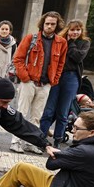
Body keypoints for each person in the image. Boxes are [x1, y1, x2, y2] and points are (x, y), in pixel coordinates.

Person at [10, 11, 67, 154]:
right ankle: (15, 142)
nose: (49, 26)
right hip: (29, 81)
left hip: (45, 84)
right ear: (42, 24)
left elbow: (61, 63)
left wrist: (53, 80)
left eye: (52, 24)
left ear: (57, 25)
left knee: (37, 116)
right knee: (22, 113)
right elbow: (18, 59)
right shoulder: (32, 38)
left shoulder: (61, 43)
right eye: (47, 23)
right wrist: (25, 78)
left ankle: (30, 143)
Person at [39, 19, 91, 148]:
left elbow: (78, 57)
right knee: (49, 110)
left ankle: (57, 140)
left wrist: (71, 43)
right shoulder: (60, 41)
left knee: (63, 111)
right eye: (72, 29)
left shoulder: (84, 43)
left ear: (81, 30)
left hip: (72, 77)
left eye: (78, 30)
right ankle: (41, 138)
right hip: (57, 75)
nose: (75, 32)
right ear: (68, 30)